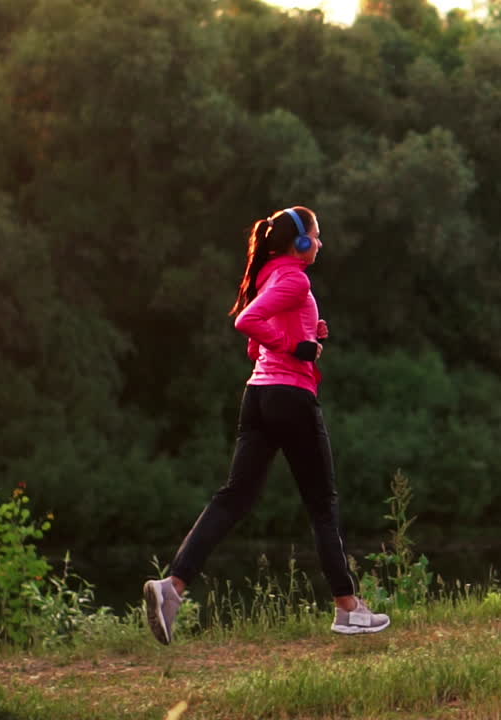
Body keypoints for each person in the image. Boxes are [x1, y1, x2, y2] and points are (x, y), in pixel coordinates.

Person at [143, 206, 389, 643]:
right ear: (300, 243)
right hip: (290, 398)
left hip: (257, 397)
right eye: (316, 235)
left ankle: (172, 588)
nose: (320, 243)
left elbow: (256, 349)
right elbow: (247, 323)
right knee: (322, 504)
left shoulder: (269, 277)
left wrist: (307, 336)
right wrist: (296, 345)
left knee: (233, 498)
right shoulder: (295, 278)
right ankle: (349, 609)